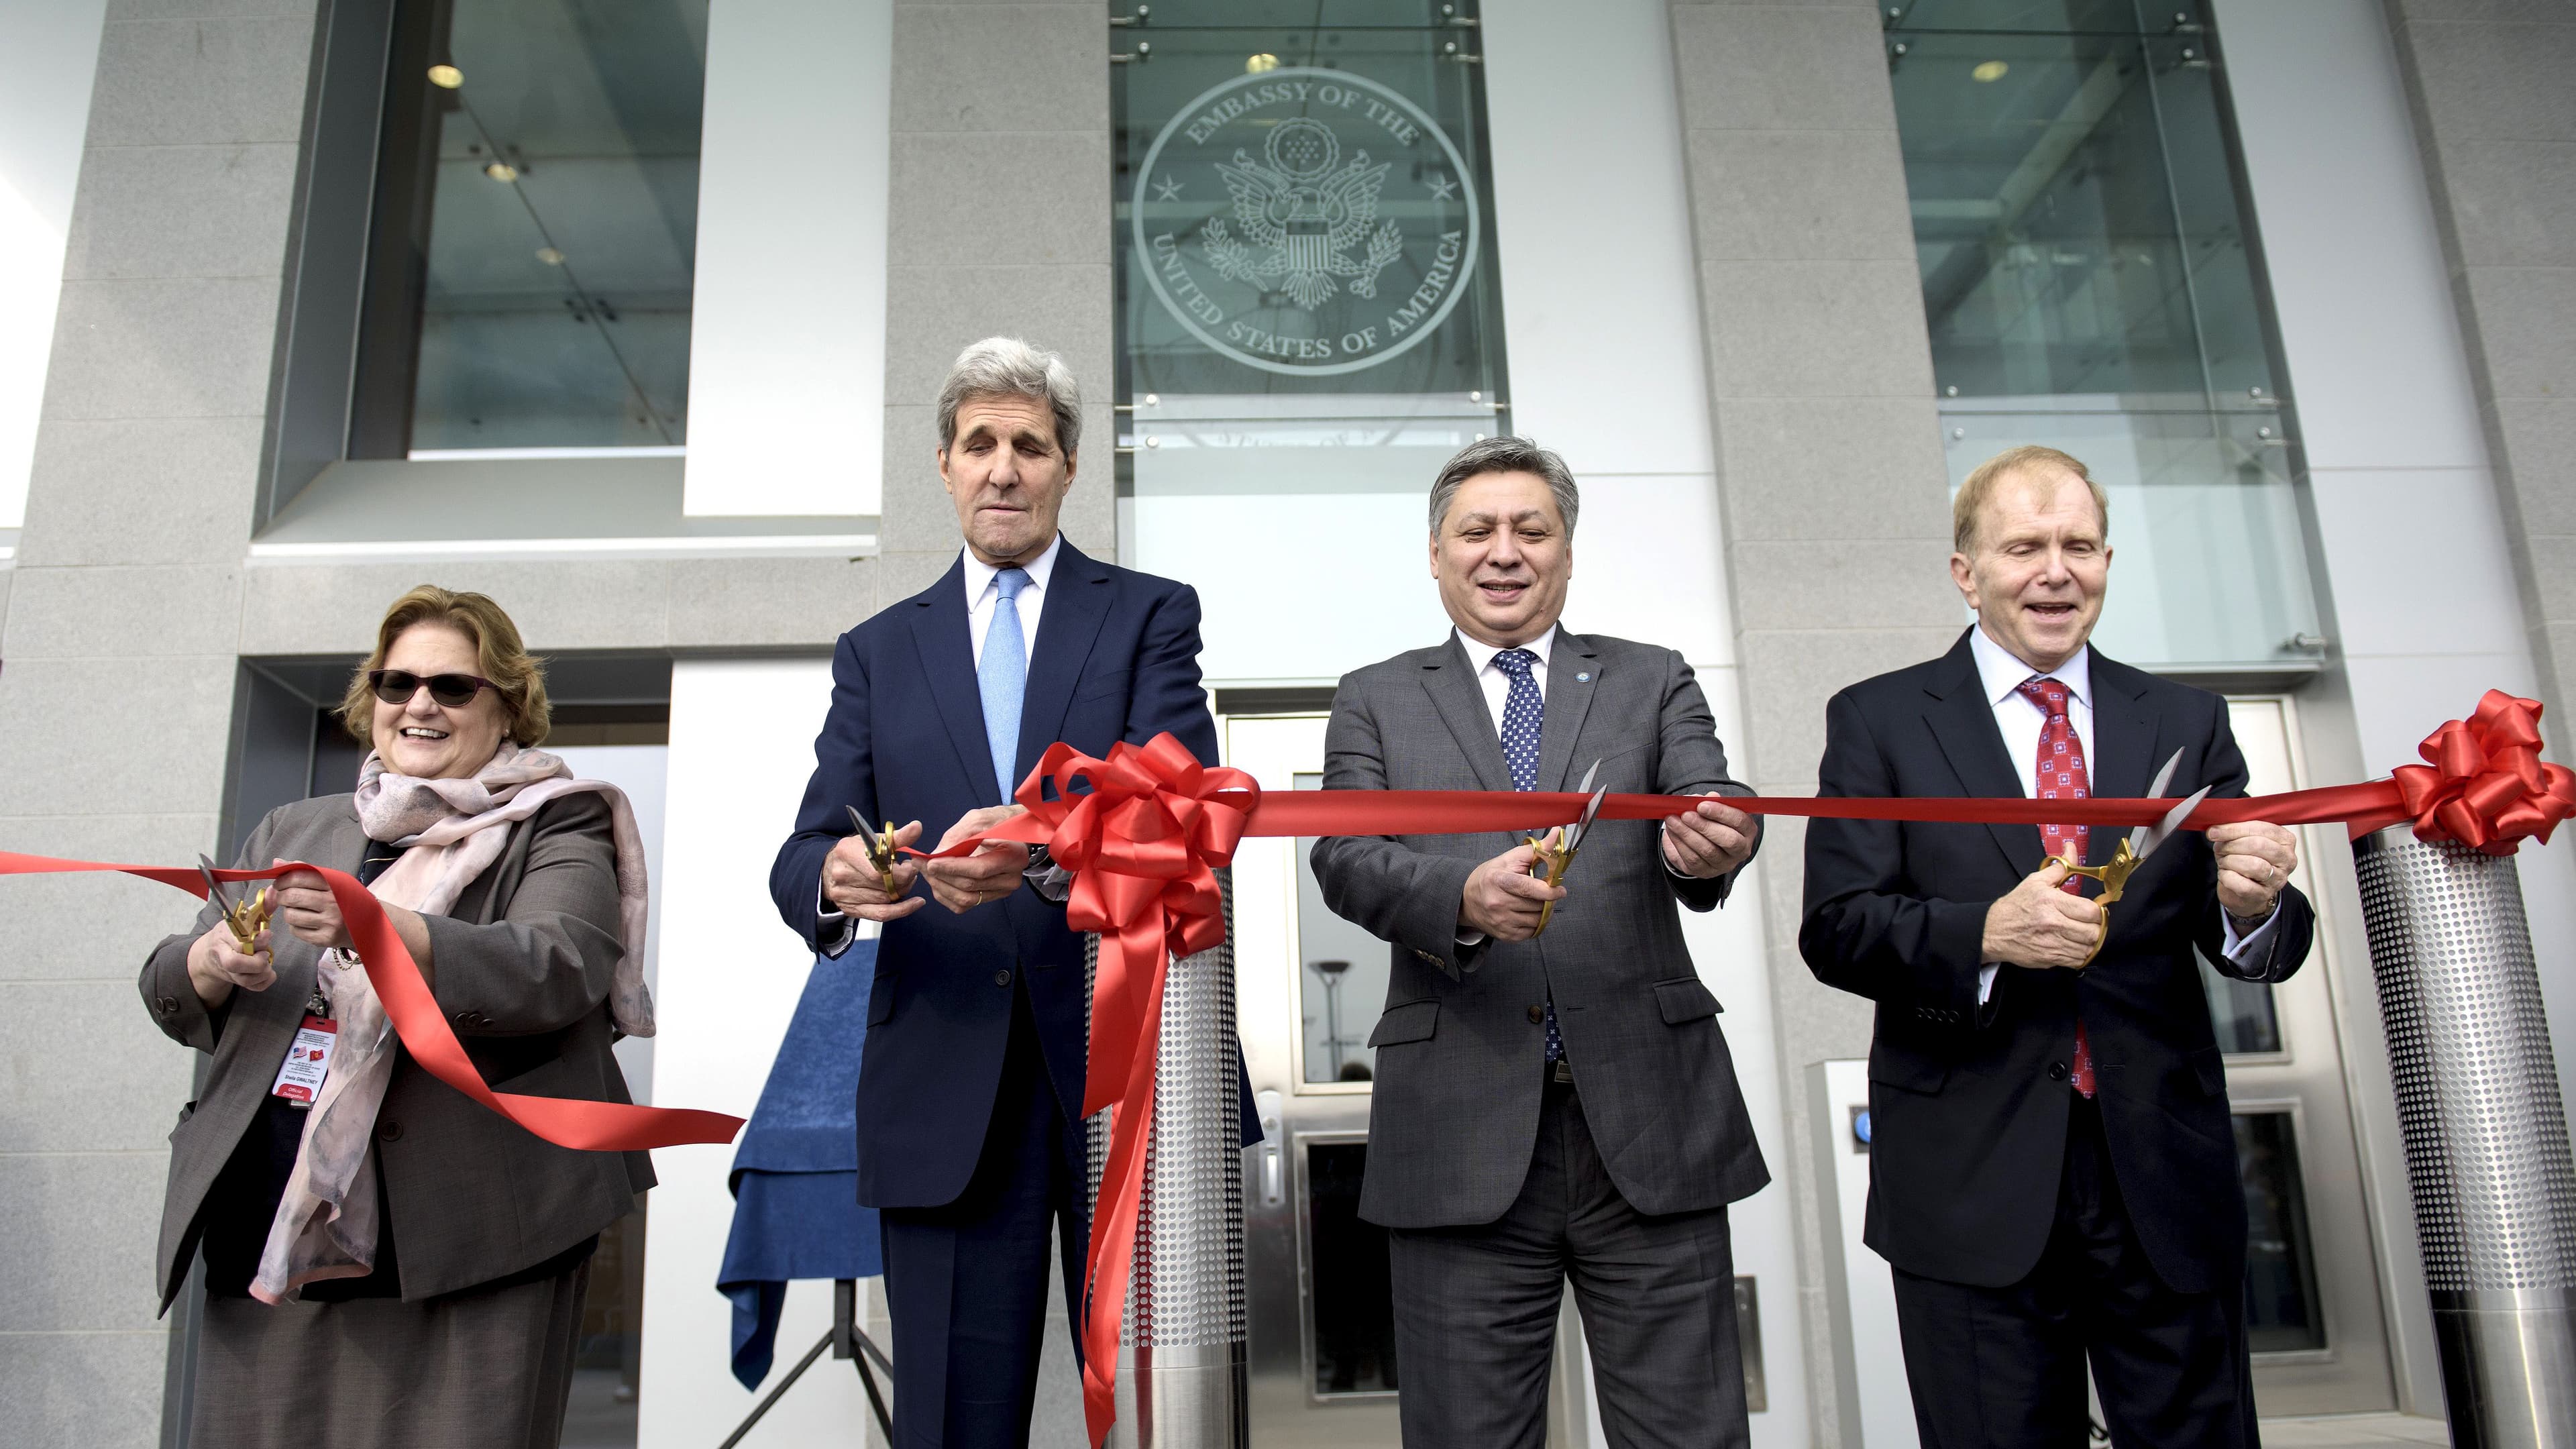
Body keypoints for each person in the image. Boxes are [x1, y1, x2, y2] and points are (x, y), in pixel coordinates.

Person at [1800, 445, 2314, 1448]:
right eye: (2024, 547)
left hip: (2160, 1174)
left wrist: (2252, 906)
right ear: (1967, 572)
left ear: (2108, 563)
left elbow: (2265, 938)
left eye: (2079, 547)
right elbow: (1839, 929)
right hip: (1968, 1177)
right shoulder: (1879, 719)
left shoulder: (2188, 721)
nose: (2056, 571)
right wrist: (1986, 934)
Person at [767, 337, 1224, 1448]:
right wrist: (836, 876)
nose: (1004, 469)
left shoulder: (1149, 615)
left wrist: (1044, 860)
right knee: (954, 1427)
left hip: (1129, 1071)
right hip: (944, 1080)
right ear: (945, 465)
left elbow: (1186, 816)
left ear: (1069, 466)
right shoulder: (878, 651)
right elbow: (810, 844)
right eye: (980, 444)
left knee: (1168, 1420)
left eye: (1030, 445)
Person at [1309, 436, 1770, 1449]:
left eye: (1533, 529)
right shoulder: (1375, 695)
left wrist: (1713, 839)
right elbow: (1344, 856)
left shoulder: (1651, 678)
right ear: (1437, 554)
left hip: (1649, 1121)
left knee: (1690, 1433)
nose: (1505, 551)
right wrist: (1460, 898)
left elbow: (1710, 791)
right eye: (1477, 530)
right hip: (1458, 1129)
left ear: (1567, 549)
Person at [140, 586, 656, 1448]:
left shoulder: (560, 820)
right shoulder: (296, 827)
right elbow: (172, 983)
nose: (419, 704)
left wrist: (381, 929)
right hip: (269, 1219)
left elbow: (557, 967)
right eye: (396, 683)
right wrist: (209, 963)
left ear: (507, 707)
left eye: (452, 687)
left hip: (476, 1232)